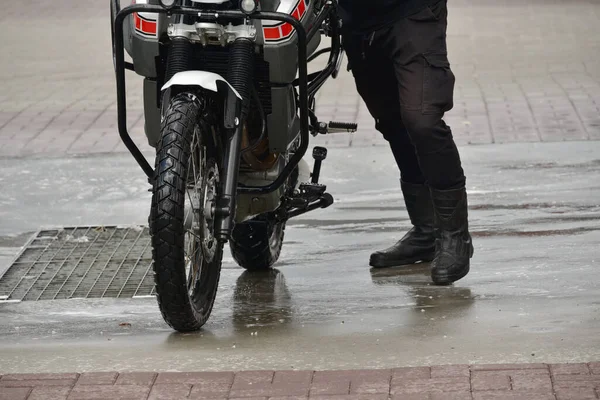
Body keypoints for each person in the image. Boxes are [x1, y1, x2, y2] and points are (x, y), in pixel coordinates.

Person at [337, 0, 474, 285]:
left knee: (421, 119)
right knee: (392, 122)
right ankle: (425, 232)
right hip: (358, 23)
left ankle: (454, 237)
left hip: (413, 12)